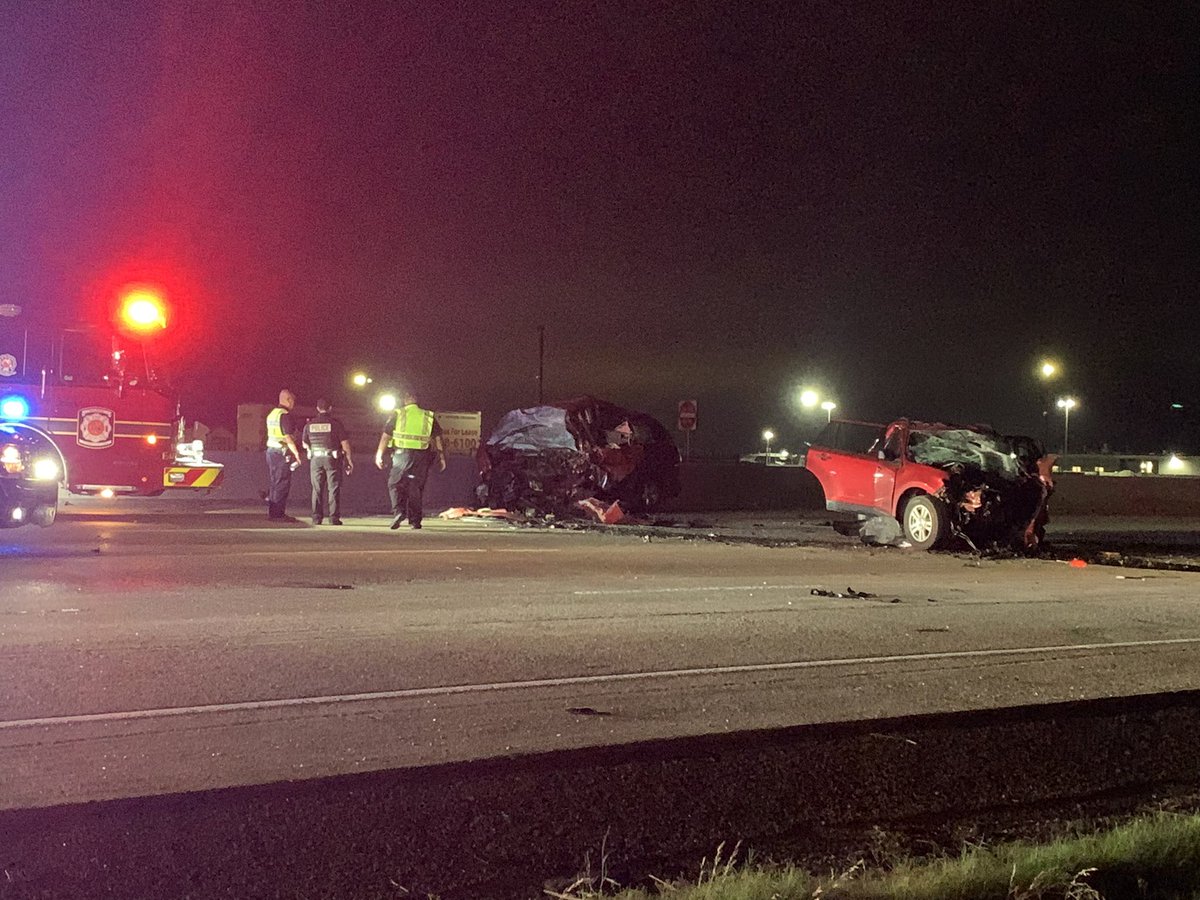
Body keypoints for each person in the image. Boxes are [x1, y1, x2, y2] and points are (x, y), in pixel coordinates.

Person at [375, 390, 446, 530]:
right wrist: (442, 458)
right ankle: (415, 521)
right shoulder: (428, 416)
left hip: (402, 455)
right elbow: (438, 438)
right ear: (416, 400)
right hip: (421, 457)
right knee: (416, 488)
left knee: (394, 484)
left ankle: (399, 512)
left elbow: (386, 436)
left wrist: (379, 454)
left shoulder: (398, 414)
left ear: (405, 400)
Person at [302, 397, 354, 525]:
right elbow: (345, 443)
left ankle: (316, 518)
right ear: (330, 408)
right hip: (332, 459)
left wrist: (309, 449)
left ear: (317, 408)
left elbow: (304, 442)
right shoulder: (335, 424)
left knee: (317, 489)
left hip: (316, 459)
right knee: (333, 488)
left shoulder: (310, 424)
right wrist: (349, 460)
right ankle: (333, 518)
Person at [265, 389, 303, 520]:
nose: (294, 404)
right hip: (281, 452)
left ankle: (273, 513)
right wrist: (297, 454)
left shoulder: (272, 414)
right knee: (282, 483)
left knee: (275, 482)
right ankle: (278, 514)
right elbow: (287, 437)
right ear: (288, 400)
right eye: (293, 401)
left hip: (271, 451)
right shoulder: (285, 415)